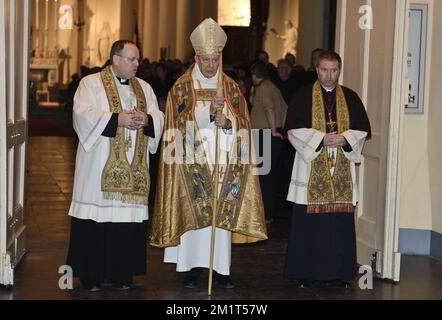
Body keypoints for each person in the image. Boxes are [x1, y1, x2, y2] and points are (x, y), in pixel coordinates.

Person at [150, 18, 267, 290]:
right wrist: (206, 114)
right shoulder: (181, 86)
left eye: (215, 60)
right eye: (205, 60)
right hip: (190, 161)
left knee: (219, 218)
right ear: (196, 57)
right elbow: (175, 123)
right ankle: (191, 270)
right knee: (194, 216)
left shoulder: (231, 88)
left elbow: (243, 122)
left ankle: (221, 269)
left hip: (224, 161)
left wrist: (227, 122)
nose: (211, 65)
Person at [66, 40, 164, 292]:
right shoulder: (90, 84)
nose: (136, 64)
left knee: (127, 221)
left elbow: (159, 116)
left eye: (138, 60)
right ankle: (92, 276)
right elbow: (81, 115)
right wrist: (116, 119)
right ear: (115, 59)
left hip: (134, 169)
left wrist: (147, 119)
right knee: (97, 219)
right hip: (98, 168)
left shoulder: (145, 87)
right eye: (131, 59)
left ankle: (123, 274)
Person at [284, 51, 371, 289]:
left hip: (340, 164)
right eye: (324, 69)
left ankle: (337, 272)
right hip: (310, 166)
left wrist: (344, 138)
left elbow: (362, 129)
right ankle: (304, 272)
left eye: (333, 70)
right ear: (317, 69)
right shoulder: (303, 96)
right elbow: (292, 129)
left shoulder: (350, 97)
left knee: (338, 224)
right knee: (307, 225)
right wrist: (321, 139)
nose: (329, 75)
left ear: (339, 70)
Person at [250, 61, 288, 223]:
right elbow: (285, 109)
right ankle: (267, 212)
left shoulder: (264, 89)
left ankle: (265, 213)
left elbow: (269, 109)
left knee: (264, 176)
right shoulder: (271, 87)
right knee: (268, 175)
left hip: (265, 134)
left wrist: (273, 132)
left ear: (253, 75)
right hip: (270, 133)